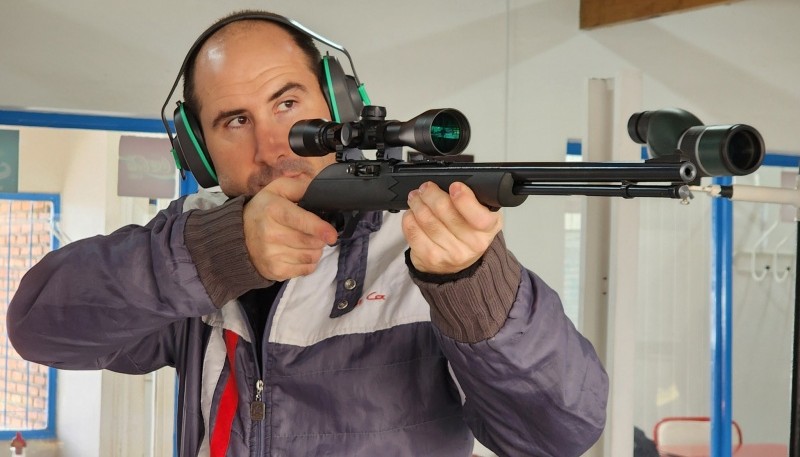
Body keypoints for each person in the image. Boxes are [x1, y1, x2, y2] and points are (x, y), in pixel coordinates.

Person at [7, 9, 608, 457]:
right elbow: (40, 328)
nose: (272, 149)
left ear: (342, 107)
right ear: (198, 150)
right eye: (234, 120)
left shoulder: (420, 241)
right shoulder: (194, 241)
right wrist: (219, 255)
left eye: (288, 104)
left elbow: (557, 433)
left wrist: (473, 289)